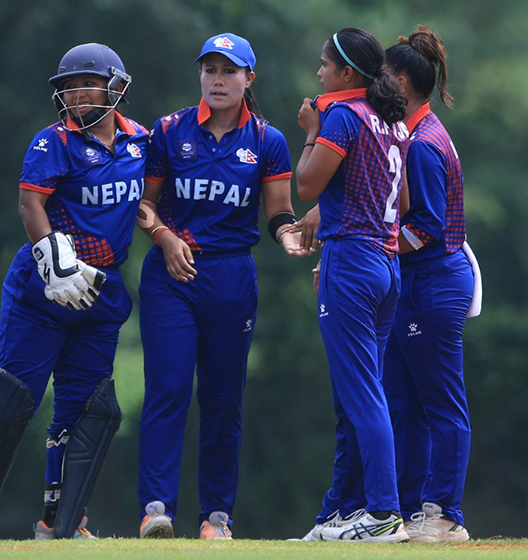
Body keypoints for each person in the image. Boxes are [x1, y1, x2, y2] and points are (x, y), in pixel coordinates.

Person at [0, 42, 147, 541]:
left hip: (101, 289)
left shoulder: (142, 141)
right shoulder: (52, 141)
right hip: (45, 285)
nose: (76, 95)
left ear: (114, 86)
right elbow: (30, 205)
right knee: (12, 397)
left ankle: (61, 523)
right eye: (68, 86)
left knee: (87, 410)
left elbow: (151, 202)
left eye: (86, 84)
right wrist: (55, 260)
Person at [134, 32, 307, 541]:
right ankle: (155, 509)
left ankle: (216, 518)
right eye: (209, 70)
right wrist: (163, 237)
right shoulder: (170, 130)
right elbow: (143, 204)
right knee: (166, 390)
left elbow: (278, 211)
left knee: (223, 400)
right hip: (172, 277)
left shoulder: (267, 141)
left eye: (229, 71)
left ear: (248, 79)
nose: (217, 79)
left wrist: (290, 235)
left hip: (232, 278)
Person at [294, 27, 412, 543]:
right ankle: (340, 513)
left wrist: (309, 132)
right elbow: (402, 204)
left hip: (353, 261)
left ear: (347, 73)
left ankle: (384, 512)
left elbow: (304, 184)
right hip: (388, 265)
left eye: (325, 65)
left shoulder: (340, 116)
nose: (319, 72)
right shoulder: (391, 120)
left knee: (363, 394)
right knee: (359, 394)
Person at [382, 26, 476, 543]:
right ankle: (413, 509)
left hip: (434, 280)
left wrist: (371, 248)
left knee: (441, 403)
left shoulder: (421, 143)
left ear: (400, 82)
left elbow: (427, 227)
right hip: (418, 280)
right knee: (405, 403)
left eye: (380, 78)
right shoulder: (417, 129)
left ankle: (446, 515)